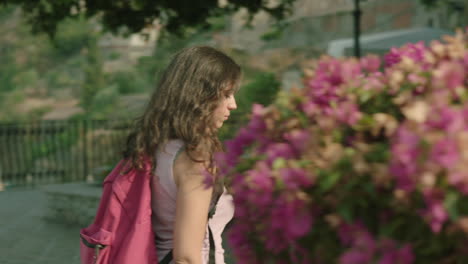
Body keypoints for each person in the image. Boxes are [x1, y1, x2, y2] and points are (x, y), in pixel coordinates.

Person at [122, 46, 240, 264]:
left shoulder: (156, 145)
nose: (233, 104)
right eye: (226, 95)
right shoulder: (196, 159)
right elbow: (186, 256)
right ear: (200, 96)